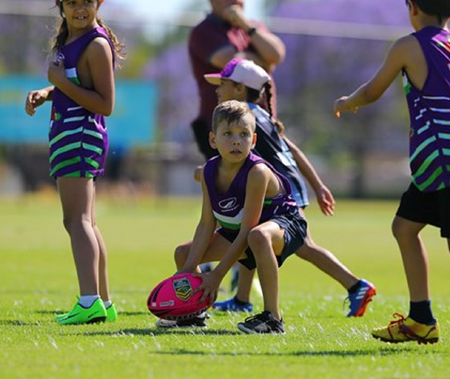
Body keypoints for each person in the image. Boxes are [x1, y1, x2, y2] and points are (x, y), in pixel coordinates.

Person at [205, 58, 376, 316]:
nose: (218, 90)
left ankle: (355, 285)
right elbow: (292, 150)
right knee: (250, 232)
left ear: (239, 89)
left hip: (281, 192)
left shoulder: (241, 120)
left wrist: (316, 186)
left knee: (302, 246)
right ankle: (241, 299)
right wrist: (317, 185)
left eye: (223, 84)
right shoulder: (257, 115)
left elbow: (282, 156)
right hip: (284, 186)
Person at [333, 0, 450, 344]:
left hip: (442, 161)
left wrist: (347, 101)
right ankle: (421, 319)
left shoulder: (409, 45)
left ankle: (422, 318)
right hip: (434, 168)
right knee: (404, 227)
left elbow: (372, 90)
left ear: (411, 7)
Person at [160, 100, 308, 334]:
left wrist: (217, 275)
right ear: (212, 140)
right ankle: (193, 311)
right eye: (227, 133)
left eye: (244, 134)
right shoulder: (209, 170)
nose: (236, 140)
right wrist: (188, 269)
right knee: (183, 254)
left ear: (254, 140)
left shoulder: (257, 172)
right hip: (242, 231)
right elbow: (207, 223)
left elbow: (249, 229)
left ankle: (273, 318)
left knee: (258, 236)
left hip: (284, 225)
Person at [25, 0, 125, 325]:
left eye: (86, 2)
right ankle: (104, 302)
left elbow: (105, 104)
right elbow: (74, 84)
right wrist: (48, 91)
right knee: (88, 223)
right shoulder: (70, 39)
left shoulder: (96, 44)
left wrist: (60, 81)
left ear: (99, 4)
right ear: (61, 6)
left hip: (80, 135)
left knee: (76, 221)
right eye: (72, 2)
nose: (79, 9)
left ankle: (88, 301)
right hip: (71, 134)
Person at [188, 0, 285, 160]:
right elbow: (232, 61)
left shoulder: (251, 26)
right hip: (225, 129)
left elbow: (276, 54)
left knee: (263, 181)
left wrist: (246, 25)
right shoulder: (204, 31)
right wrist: (264, 60)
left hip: (259, 126)